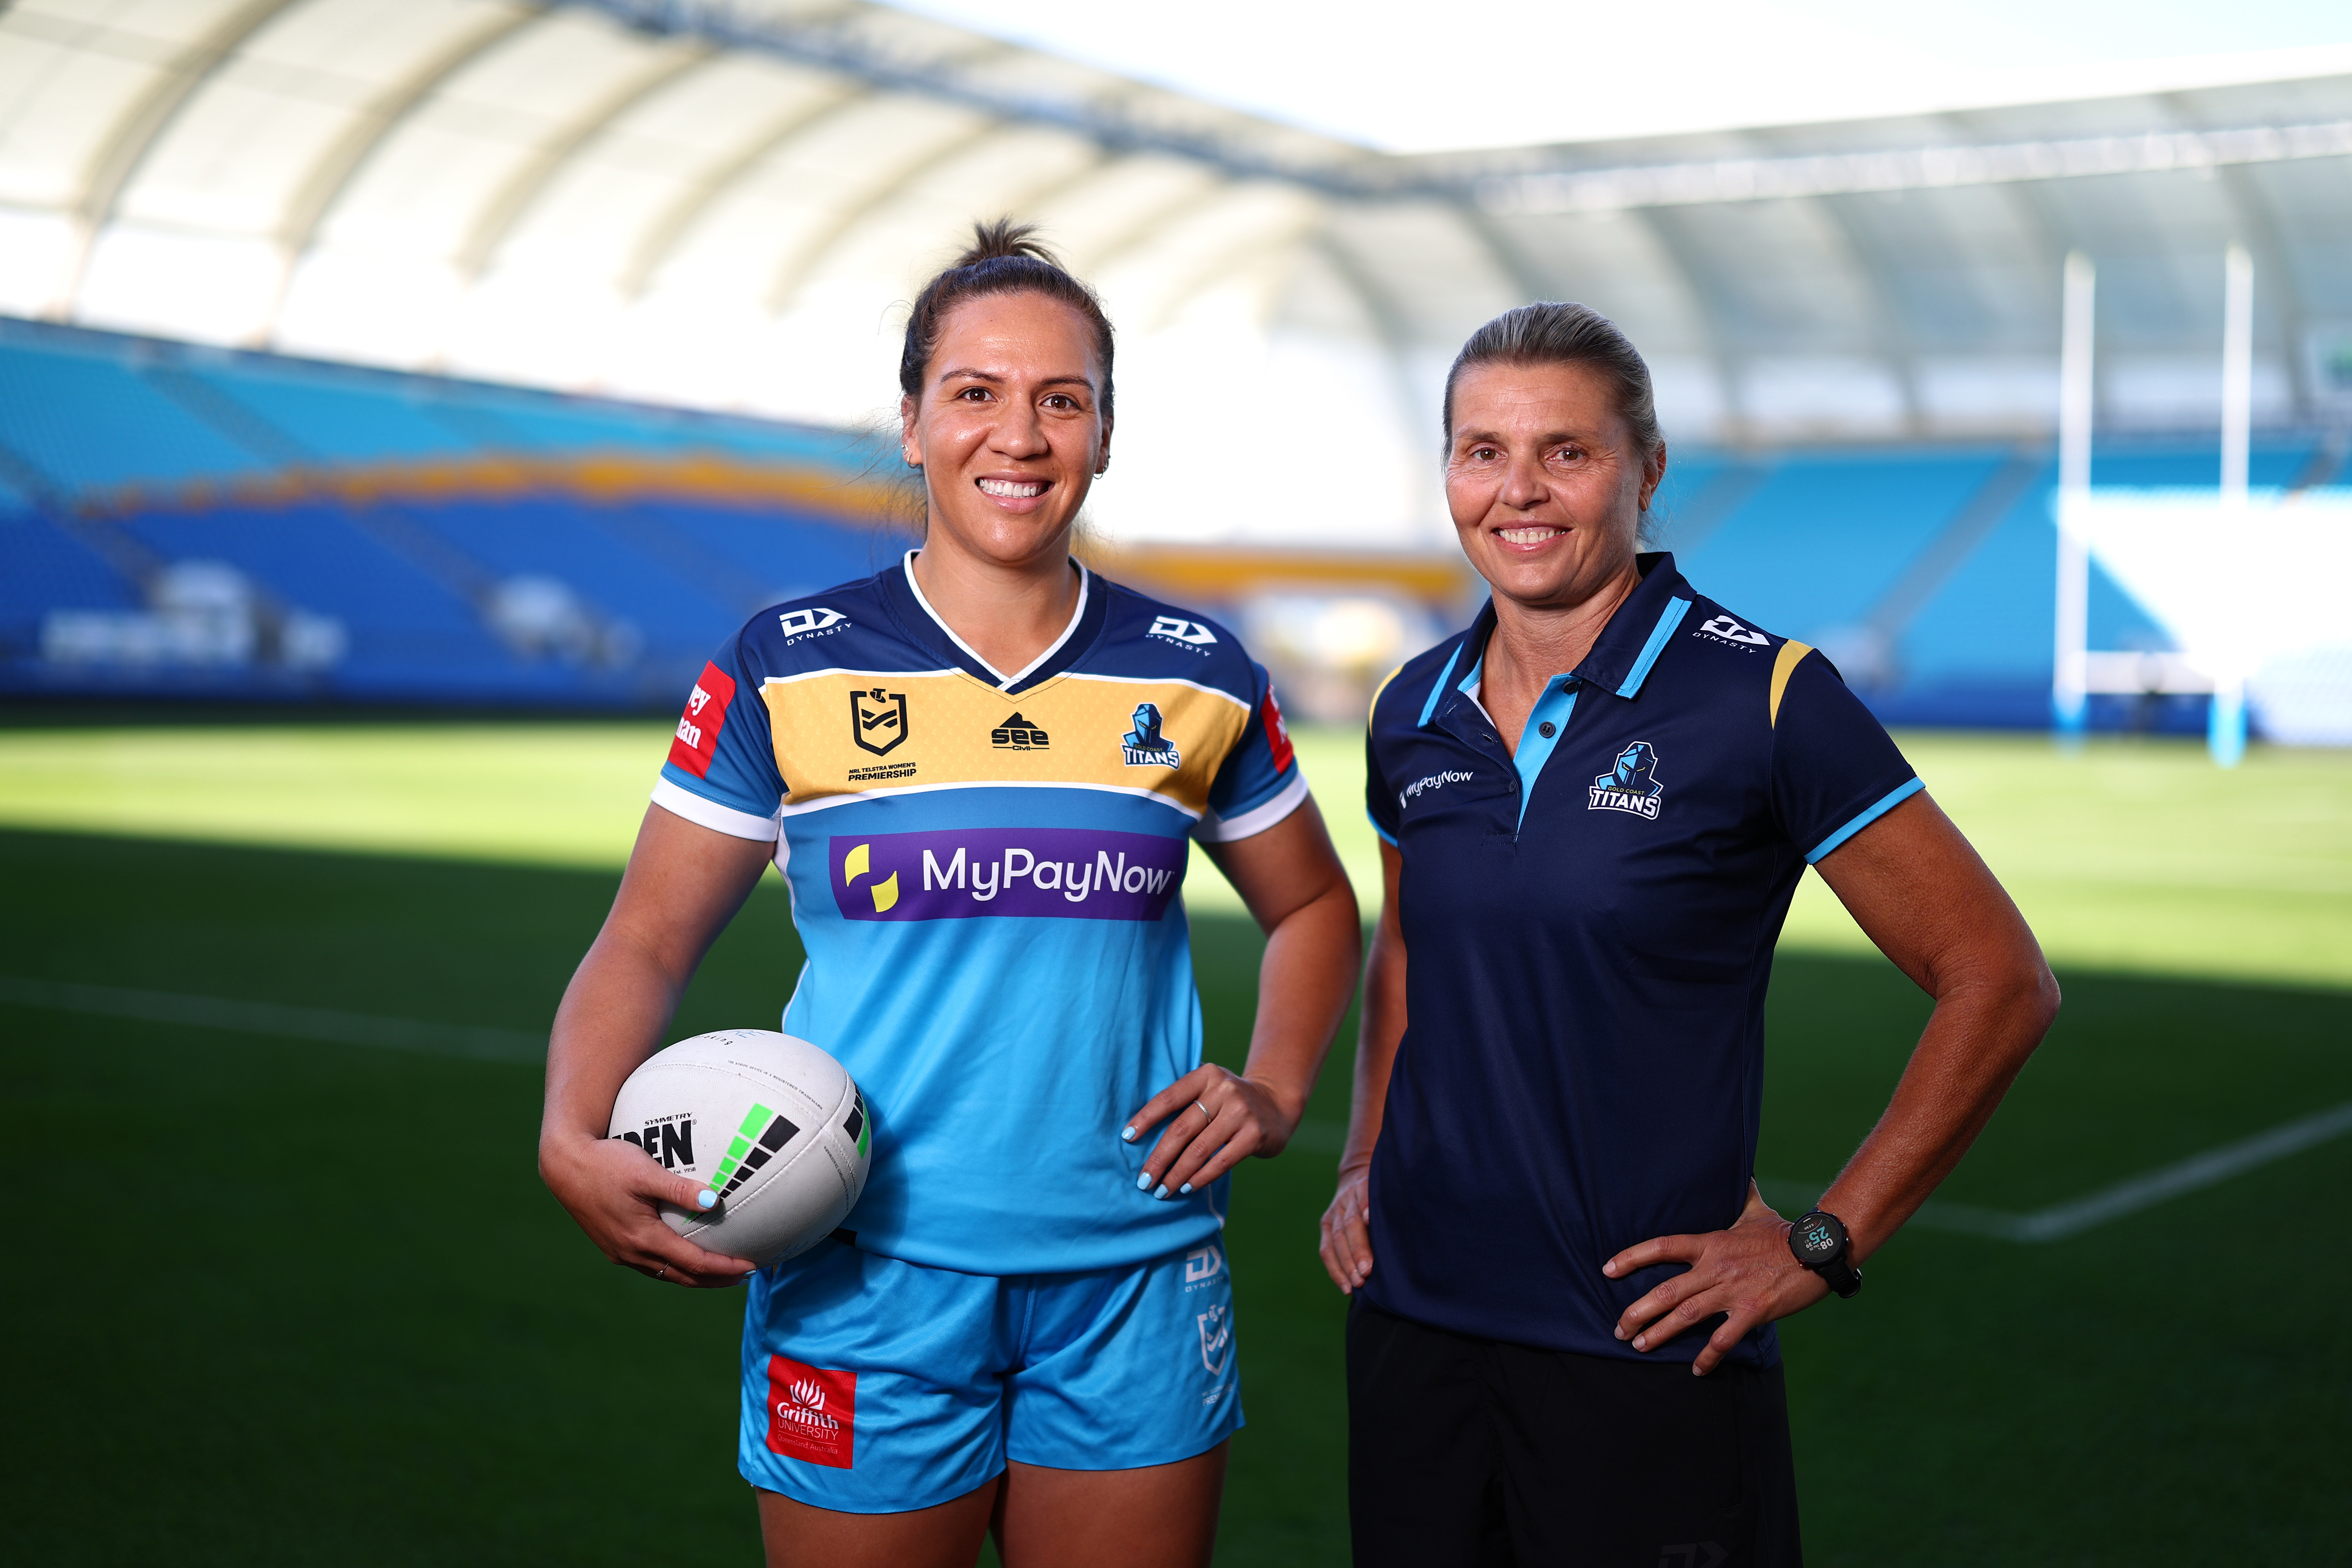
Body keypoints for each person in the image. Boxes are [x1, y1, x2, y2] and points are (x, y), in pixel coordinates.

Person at [541, 221, 1361, 1568]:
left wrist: (1273, 1087)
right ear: (914, 423)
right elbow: (646, 935)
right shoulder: (786, 666)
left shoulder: (1198, 671)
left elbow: (1316, 907)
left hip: (1136, 1272)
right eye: (976, 393)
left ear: (1105, 432)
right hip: (861, 1273)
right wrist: (573, 1125)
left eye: (1062, 399)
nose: (1019, 436)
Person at [1319, 302, 2060, 1564]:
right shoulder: (1412, 706)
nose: (1520, 490)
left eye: (1569, 450)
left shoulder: (1765, 695)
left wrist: (1827, 1240)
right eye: (1481, 450)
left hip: (1646, 1348)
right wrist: (1359, 1159)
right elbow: (1410, 954)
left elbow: (1998, 979)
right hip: (1416, 1334)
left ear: (1647, 468)